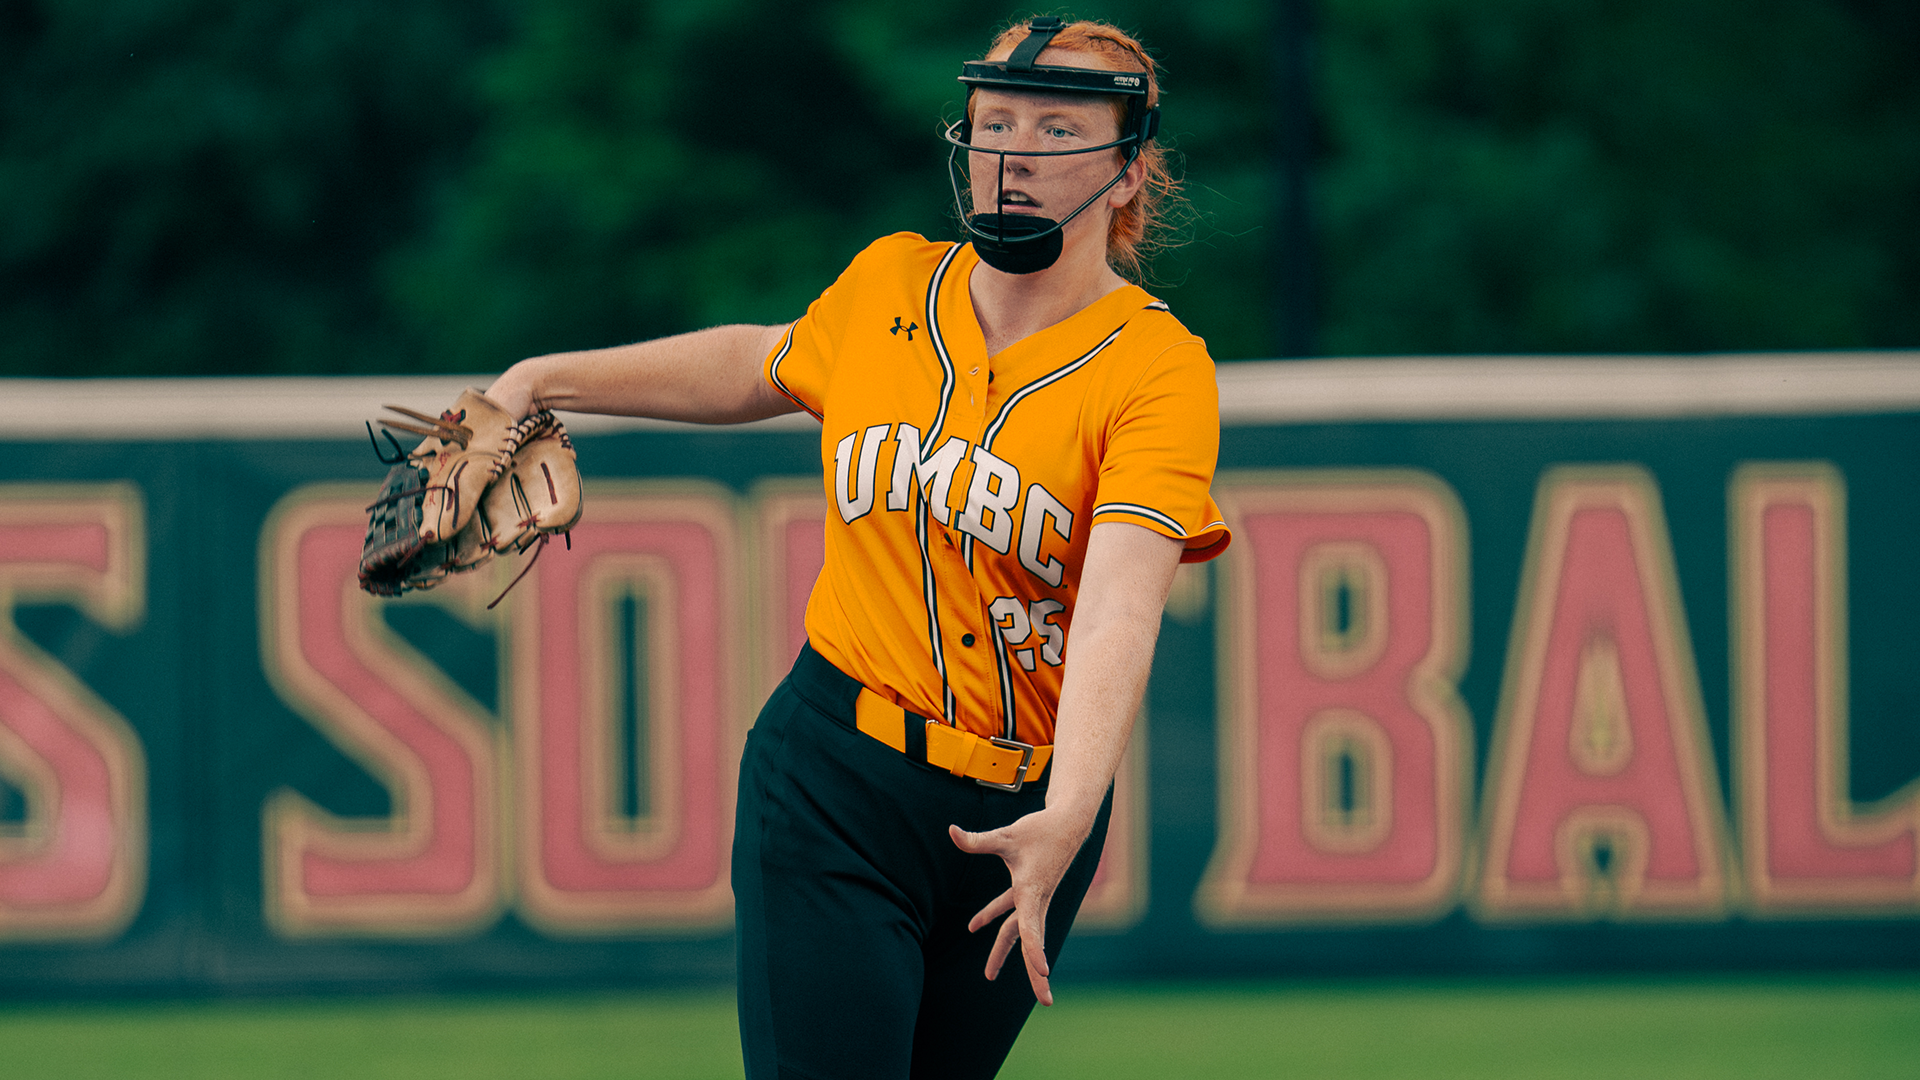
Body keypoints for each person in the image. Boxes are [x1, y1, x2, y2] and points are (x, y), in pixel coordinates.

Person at [484, 16, 1229, 1079]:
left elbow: (1120, 602)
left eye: (1057, 129)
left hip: (1025, 817)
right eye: (994, 122)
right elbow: (764, 362)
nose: (1013, 151)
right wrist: (540, 378)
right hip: (836, 778)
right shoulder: (891, 285)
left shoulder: (1156, 369)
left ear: (1126, 172)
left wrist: (1067, 812)